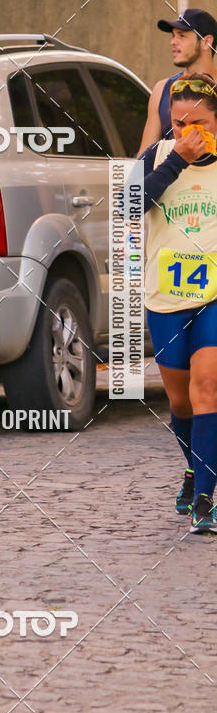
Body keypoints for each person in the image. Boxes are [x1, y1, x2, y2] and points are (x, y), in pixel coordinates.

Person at [139, 72, 217, 532]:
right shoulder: (157, 156)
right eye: (180, 123)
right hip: (165, 296)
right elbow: (129, 205)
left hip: (213, 298)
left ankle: (205, 498)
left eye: (200, 123)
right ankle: (194, 468)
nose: (189, 133)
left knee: (207, 388)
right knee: (181, 400)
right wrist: (176, 161)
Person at [138, 8, 217, 154]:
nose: (173, 42)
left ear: (206, 42)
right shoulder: (162, 89)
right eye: (173, 36)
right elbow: (143, 158)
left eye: (182, 35)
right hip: (173, 168)